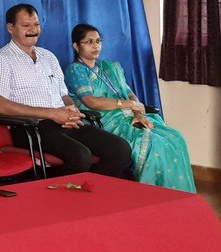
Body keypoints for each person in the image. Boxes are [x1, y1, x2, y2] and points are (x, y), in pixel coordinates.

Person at [0, 4, 132, 179]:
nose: (33, 30)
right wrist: (52, 114)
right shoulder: (1, 59)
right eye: (26, 26)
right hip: (30, 128)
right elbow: (1, 107)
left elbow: (64, 95)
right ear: (10, 28)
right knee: (80, 155)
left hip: (62, 121)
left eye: (37, 25)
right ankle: (61, 202)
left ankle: (92, 195)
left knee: (120, 149)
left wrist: (72, 111)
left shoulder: (48, 56)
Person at [63, 23, 196, 193]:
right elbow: (91, 102)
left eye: (98, 41)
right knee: (154, 144)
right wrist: (128, 105)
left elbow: (129, 94)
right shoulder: (76, 70)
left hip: (129, 115)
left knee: (175, 138)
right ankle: (151, 196)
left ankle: (178, 196)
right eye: (89, 42)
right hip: (102, 120)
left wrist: (138, 112)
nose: (95, 46)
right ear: (76, 46)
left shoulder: (110, 68)